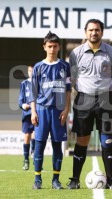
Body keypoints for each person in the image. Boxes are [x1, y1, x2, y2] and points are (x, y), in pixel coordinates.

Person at [67, 18, 112, 190]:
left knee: (107, 140)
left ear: (102, 32)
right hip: (84, 100)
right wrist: (79, 88)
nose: (94, 33)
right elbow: (72, 77)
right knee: (82, 140)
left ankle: (111, 180)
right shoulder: (75, 53)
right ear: (86, 32)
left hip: (105, 100)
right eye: (91, 30)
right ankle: (75, 179)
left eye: (97, 30)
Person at [30, 31, 71, 189]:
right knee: (39, 145)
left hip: (58, 111)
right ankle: (37, 179)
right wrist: (33, 111)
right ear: (44, 47)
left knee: (57, 146)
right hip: (41, 110)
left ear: (59, 47)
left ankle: (56, 180)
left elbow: (68, 90)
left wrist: (66, 109)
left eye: (54, 46)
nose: (52, 49)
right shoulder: (38, 67)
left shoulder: (65, 66)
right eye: (49, 46)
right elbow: (33, 92)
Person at [18, 65, 35, 170]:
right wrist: (23, 105)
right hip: (27, 114)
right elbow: (20, 99)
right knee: (27, 136)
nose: (31, 72)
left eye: (33, 70)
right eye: (29, 70)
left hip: (38, 113)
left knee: (36, 135)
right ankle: (26, 160)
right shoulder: (24, 84)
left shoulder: (40, 83)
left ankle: (35, 156)